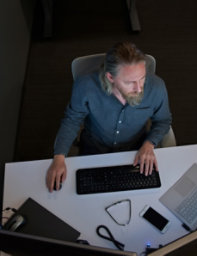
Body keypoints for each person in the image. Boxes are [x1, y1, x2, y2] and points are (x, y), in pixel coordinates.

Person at [46, 42, 172, 192]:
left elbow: (163, 121)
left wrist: (149, 144)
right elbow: (72, 120)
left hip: (135, 150)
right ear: (110, 77)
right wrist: (59, 157)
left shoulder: (157, 87)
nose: (139, 88)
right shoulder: (85, 86)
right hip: (94, 147)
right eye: (130, 82)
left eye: (142, 78)